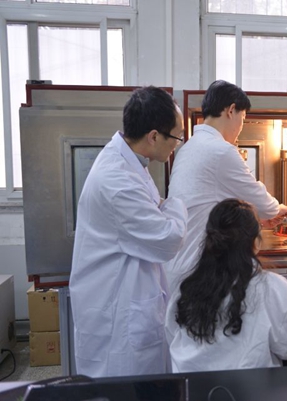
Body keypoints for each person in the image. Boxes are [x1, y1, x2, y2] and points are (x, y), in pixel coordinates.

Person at [69, 86, 188, 377]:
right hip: (116, 313)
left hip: (128, 297)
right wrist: (177, 204)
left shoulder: (130, 162)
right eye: (177, 137)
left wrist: (164, 209)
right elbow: (168, 238)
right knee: (123, 387)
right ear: (154, 136)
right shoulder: (117, 181)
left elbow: (156, 215)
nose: (178, 145)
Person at [164, 80, 287, 294]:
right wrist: (276, 209)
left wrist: (260, 217)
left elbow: (211, 202)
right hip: (196, 269)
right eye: (243, 119)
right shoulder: (220, 151)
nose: (240, 128)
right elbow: (263, 204)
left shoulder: (188, 148)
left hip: (179, 264)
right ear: (231, 110)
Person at [165, 198, 287, 372]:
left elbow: (172, 334)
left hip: (192, 385)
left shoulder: (186, 288)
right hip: (250, 385)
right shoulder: (270, 287)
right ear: (256, 241)